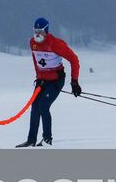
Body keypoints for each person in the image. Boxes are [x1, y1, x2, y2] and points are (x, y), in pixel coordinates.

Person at [16, 17, 81, 147]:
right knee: (35, 107)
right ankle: (31, 140)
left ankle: (47, 140)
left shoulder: (56, 44)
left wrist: (74, 82)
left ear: (46, 30)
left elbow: (74, 60)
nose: (37, 34)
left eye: (40, 31)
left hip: (56, 80)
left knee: (43, 106)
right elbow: (36, 63)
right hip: (42, 80)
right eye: (35, 31)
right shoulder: (32, 43)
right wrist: (39, 78)